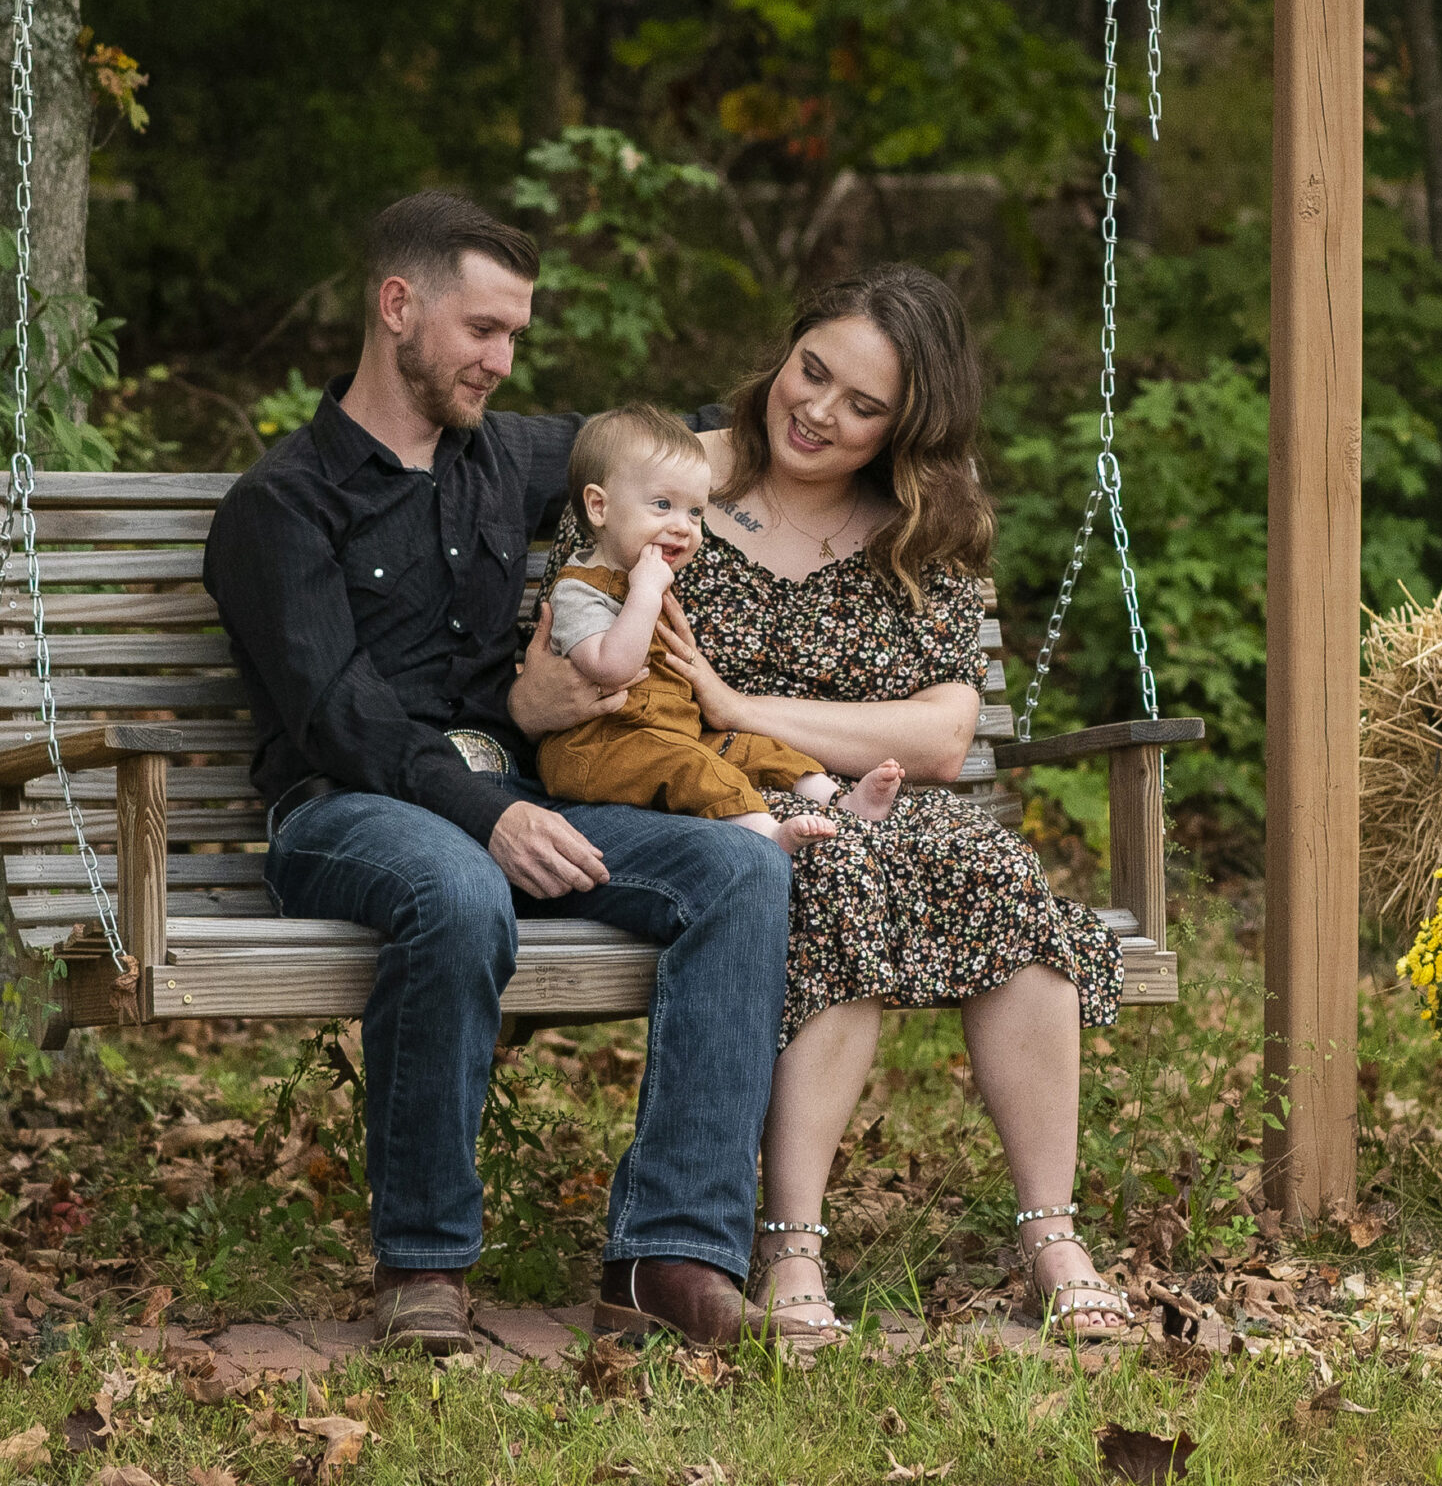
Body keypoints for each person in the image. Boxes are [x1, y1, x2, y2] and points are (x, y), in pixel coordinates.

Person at [204, 190, 824, 1355]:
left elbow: (680, 443)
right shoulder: (279, 508)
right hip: (346, 814)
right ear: (398, 307)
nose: (502, 359)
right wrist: (488, 814)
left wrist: (814, 390)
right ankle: (424, 1269)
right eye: (483, 330)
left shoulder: (513, 459)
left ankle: (669, 1257)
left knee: (738, 877)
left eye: (515, 337)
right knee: (456, 886)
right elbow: (341, 721)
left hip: (523, 805)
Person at [540, 265, 1134, 1340]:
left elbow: (943, 736)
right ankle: (791, 1241)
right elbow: (576, 638)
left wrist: (735, 694)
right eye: (811, 373)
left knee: (998, 869)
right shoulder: (670, 484)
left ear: (906, 426)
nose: (819, 412)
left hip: (876, 793)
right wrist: (752, 723)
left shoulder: (922, 523)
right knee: (830, 864)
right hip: (705, 799)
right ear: (785, 348)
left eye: (863, 408)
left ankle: (1052, 1231)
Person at [537, 402, 905, 853]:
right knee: (693, 766)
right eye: (662, 505)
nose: (683, 527)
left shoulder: (647, 577)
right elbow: (611, 667)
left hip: (667, 737)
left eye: (695, 512)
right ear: (599, 506)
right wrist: (646, 593)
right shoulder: (580, 590)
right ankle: (766, 833)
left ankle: (841, 800)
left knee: (752, 747)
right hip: (596, 751)